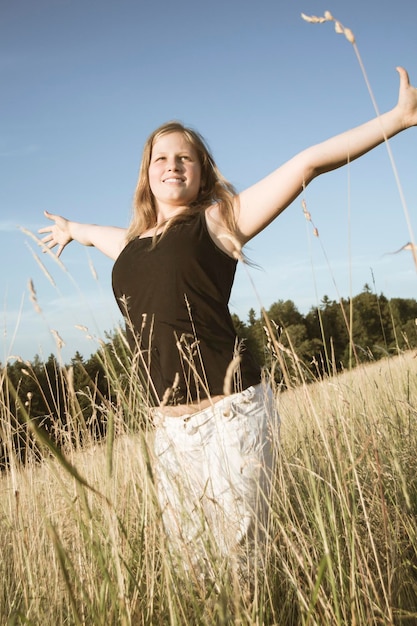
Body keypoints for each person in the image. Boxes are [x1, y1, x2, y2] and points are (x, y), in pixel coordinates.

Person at [39, 67, 417, 577]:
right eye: (161, 159)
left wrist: (395, 120)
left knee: (238, 569)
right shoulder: (130, 245)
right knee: (193, 574)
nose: (172, 166)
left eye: (184, 158)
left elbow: (306, 165)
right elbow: (94, 234)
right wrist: (71, 228)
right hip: (168, 430)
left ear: (201, 170)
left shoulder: (216, 220)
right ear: (146, 173)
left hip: (230, 416)